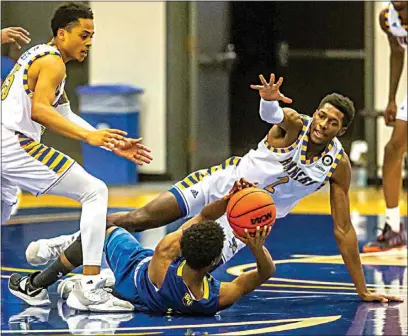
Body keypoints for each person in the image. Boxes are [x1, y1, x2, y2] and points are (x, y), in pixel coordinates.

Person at [28, 73, 403, 303]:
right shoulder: (295, 122)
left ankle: (106, 282)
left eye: (333, 122)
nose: (323, 123)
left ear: (342, 130)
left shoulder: (337, 165)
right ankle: (69, 244)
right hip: (221, 183)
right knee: (141, 218)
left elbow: (343, 230)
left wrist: (362, 290)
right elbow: (272, 115)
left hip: (245, 218)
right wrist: (267, 100)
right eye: (322, 114)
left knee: (181, 269)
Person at [1, 2, 152, 311]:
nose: (89, 42)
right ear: (62, 33)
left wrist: (109, 142)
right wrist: (88, 136)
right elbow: (40, 111)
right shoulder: (53, 63)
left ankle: (43, 285)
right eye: (83, 35)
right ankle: (90, 286)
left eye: (92, 36)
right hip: (13, 144)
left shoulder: (41, 55)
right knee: (95, 191)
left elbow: (63, 112)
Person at [9, 180, 276, 315]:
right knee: (109, 273)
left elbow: (204, 217)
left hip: (135, 270)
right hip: (140, 300)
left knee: (101, 229)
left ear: (182, 249)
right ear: (214, 262)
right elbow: (264, 273)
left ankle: (38, 283)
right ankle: (92, 282)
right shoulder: (214, 298)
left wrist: (229, 199)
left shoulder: (164, 254)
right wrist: (256, 245)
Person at [363, 1, 407, 252]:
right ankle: (394, 228)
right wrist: (391, 98)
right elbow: (398, 53)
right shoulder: (386, 18)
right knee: (392, 151)